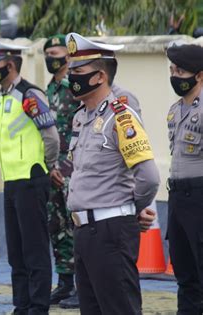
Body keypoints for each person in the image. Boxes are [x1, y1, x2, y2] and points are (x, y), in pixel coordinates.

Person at [64, 32, 160, 315]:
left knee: (120, 309)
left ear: (99, 77)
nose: (71, 77)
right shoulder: (81, 117)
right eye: (71, 70)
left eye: (78, 71)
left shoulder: (120, 117)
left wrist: (131, 209)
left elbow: (149, 177)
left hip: (109, 230)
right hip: (84, 231)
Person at [0, 35, 60, 314]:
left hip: (32, 179)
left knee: (35, 249)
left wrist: (48, 165)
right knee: (16, 252)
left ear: (11, 65)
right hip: (12, 182)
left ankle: (38, 306)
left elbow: (50, 135)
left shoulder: (29, 95)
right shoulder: (1, 97)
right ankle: (22, 304)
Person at [42, 34, 80, 309]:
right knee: (57, 226)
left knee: (77, 224)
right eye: (47, 54)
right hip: (53, 167)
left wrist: (65, 166)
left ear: (67, 57)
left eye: (56, 53)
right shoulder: (48, 90)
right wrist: (50, 166)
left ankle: (83, 284)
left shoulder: (75, 88)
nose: (51, 58)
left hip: (74, 167)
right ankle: (65, 283)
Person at [166, 43, 203, 315]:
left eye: (181, 71)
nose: (175, 76)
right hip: (177, 196)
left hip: (200, 196)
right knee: (184, 272)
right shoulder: (175, 110)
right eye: (172, 70)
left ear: (199, 75)